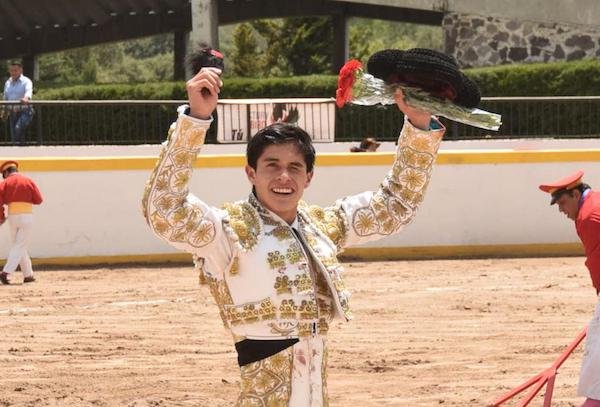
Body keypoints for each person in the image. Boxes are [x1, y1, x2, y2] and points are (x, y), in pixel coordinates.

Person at [142, 66, 445, 405]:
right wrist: (195, 120)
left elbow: (395, 206)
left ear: (308, 177)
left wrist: (418, 125)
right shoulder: (227, 232)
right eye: (272, 165)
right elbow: (164, 211)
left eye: (295, 167)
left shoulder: (322, 226)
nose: (283, 177)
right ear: (251, 172)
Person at [539, 170, 600, 407]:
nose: (561, 210)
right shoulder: (593, 205)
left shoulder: (589, 216)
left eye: (562, 203)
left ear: (575, 194)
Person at [0, 160, 43, 285]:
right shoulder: (28, 180)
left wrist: (1, 216)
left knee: (18, 245)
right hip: (26, 216)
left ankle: (28, 275)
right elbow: (39, 200)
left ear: (6, 172)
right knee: (20, 245)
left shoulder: (4, 183)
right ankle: (6, 272)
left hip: (12, 217)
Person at [2, 62, 34, 145]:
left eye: (15, 70)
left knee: (18, 128)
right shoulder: (7, 82)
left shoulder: (26, 81)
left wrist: (26, 98)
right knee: (15, 135)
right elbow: (5, 97)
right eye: (11, 70)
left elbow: (28, 92)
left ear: (21, 70)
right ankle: (19, 150)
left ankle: (19, 148)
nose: (13, 72)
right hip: (12, 112)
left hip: (25, 111)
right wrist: (4, 110)